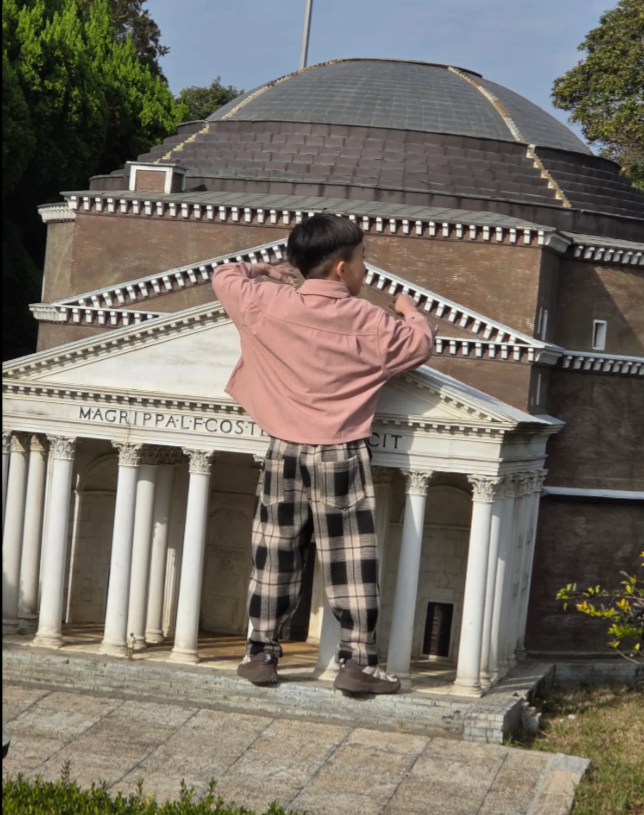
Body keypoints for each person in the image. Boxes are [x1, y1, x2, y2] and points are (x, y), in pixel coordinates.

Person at [212, 213, 434, 694]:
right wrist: (409, 309)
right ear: (341, 268)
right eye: (362, 260)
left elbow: (224, 275)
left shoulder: (264, 302)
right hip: (341, 451)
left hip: (283, 448)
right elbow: (420, 344)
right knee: (350, 557)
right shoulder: (370, 321)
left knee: (274, 552)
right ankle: (357, 664)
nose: (365, 270)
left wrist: (264, 270)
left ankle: (261, 652)